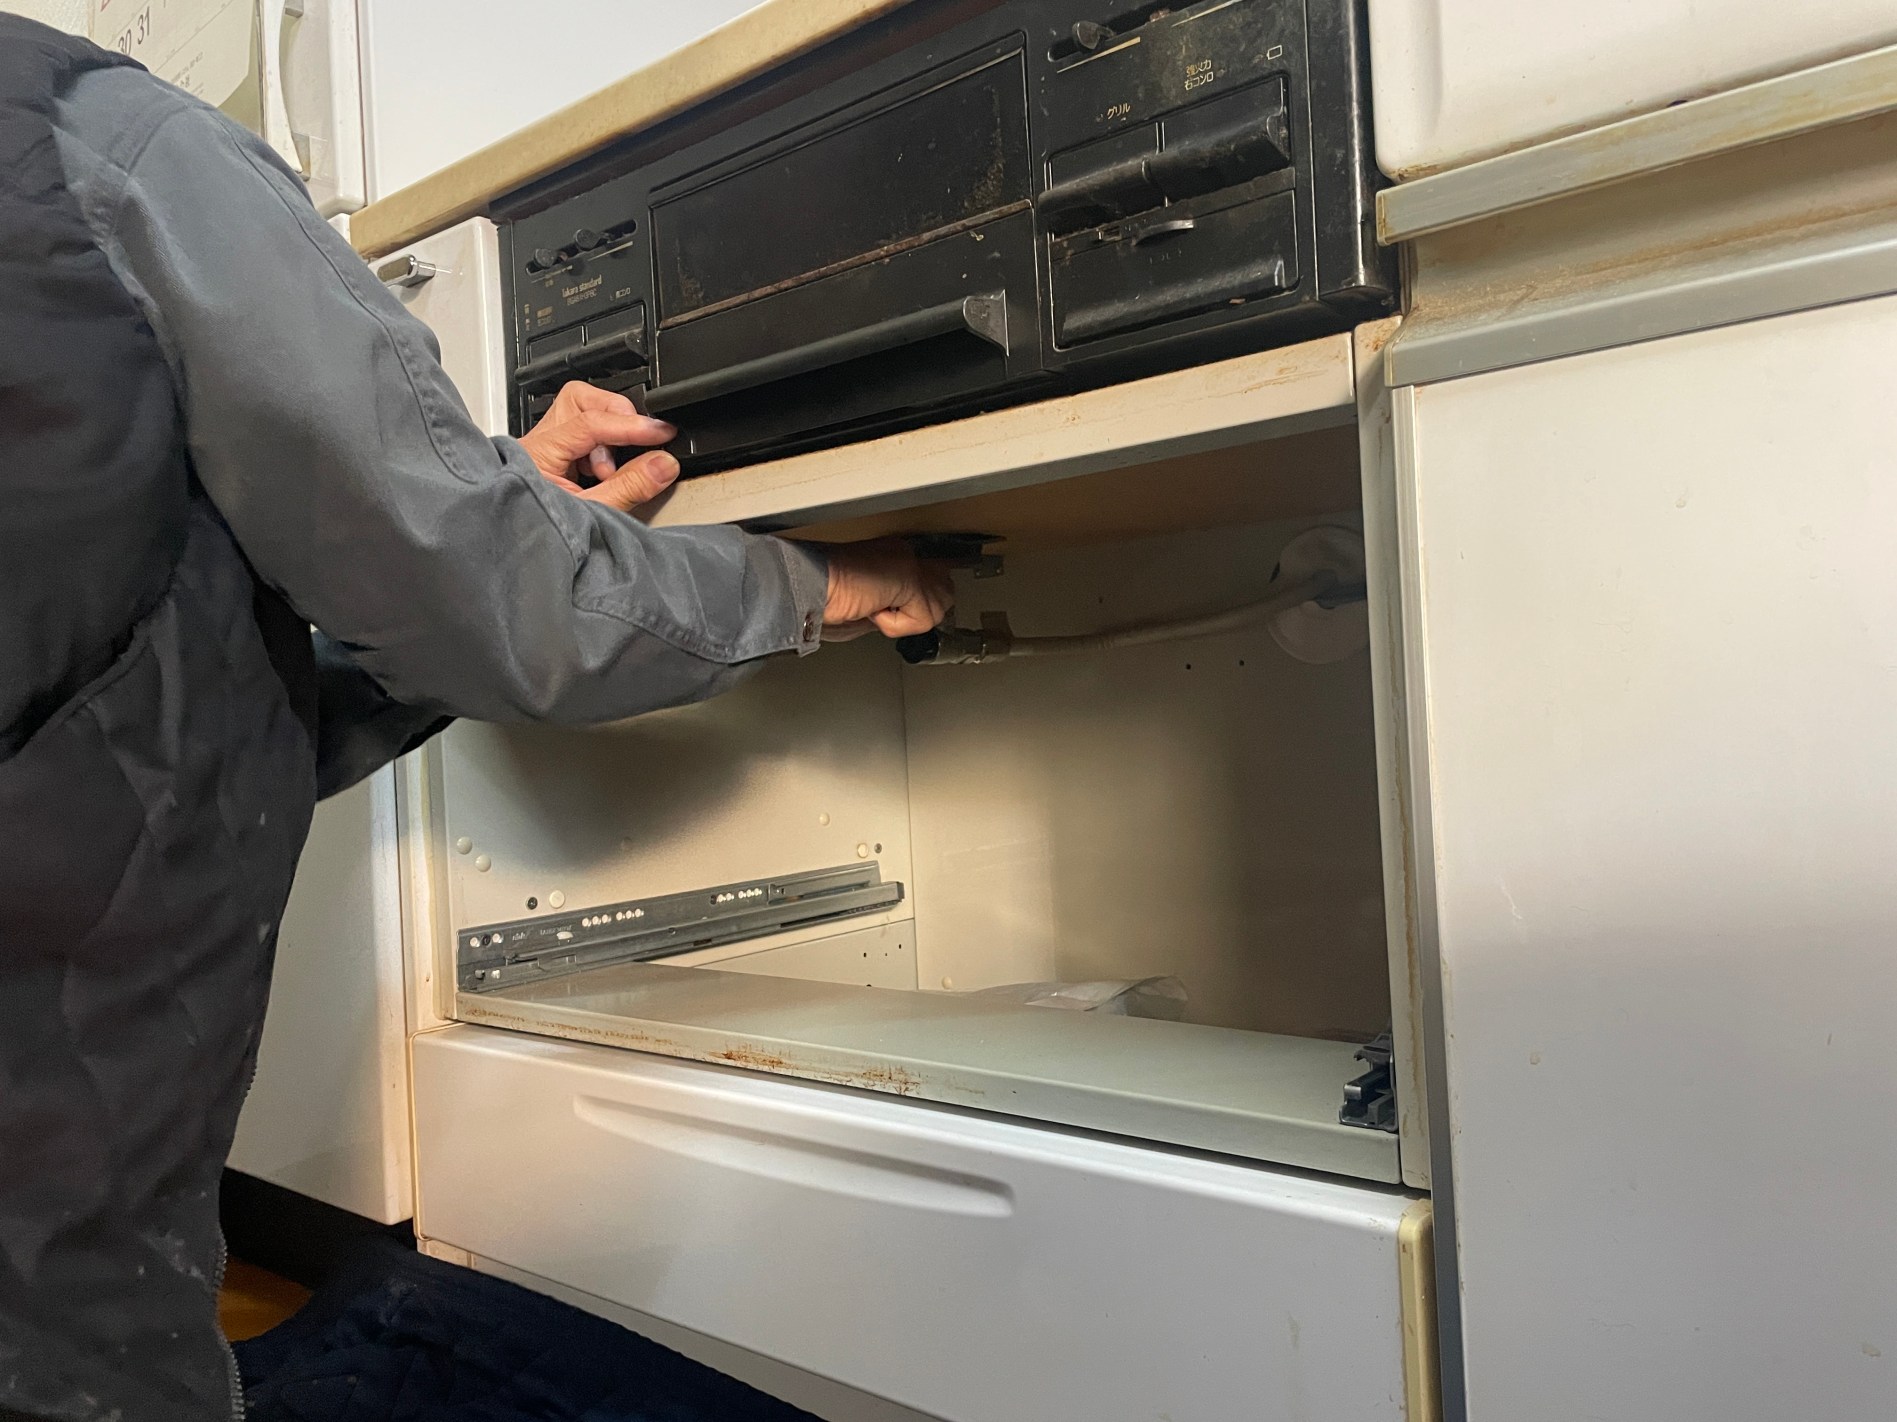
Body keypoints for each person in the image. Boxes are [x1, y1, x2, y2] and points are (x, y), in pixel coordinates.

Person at [0, 16, 952, 1420]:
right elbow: (509, 613)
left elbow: (146, 702)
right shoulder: (96, 144)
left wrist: (479, 510)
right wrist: (818, 582)